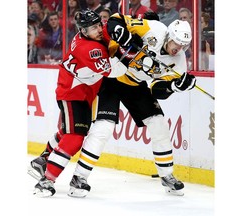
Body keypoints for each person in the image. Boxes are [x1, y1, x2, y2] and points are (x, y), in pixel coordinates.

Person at [29, 13, 196, 198]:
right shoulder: (153, 29)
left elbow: (157, 90)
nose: (179, 48)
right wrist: (121, 32)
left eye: (184, 45)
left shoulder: (179, 62)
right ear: (168, 35)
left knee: (159, 124)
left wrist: (173, 86)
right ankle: (79, 178)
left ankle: (167, 175)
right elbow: (116, 20)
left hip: (136, 85)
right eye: (176, 42)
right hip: (112, 80)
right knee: (104, 128)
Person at [32, 9, 127, 197]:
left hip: (83, 94)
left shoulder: (91, 35)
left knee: (67, 132)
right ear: (83, 31)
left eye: (99, 24)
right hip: (71, 94)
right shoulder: (88, 49)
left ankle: (42, 161)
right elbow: (115, 71)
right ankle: (46, 181)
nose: (99, 29)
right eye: (93, 28)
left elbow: (111, 26)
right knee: (75, 137)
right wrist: (130, 53)